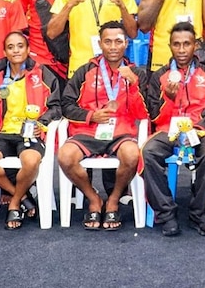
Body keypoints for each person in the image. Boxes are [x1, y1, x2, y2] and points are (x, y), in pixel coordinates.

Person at [57, 21, 149, 231]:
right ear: (100, 44)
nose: (113, 46)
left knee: (132, 155)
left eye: (118, 41)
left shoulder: (137, 73)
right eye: (108, 42)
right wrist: (91, 115)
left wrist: (134, 84)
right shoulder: (85, 71)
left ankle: (114, 199)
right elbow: (66, 105)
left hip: (121, 132)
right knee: (65, 156)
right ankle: (93, 198)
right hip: (88, 131)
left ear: (126, 43)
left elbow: (144, 113)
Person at [0, 31, 61, 230]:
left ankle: (14, 202)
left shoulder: (43, 74)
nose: (16, 50)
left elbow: (56, 107)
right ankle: (22, 196)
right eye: (11, 47)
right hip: (1, 131)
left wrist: (42, 123)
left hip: (31, 131)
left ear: (28, 49)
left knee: (31, 161)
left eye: (20, 46)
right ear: (4, 52)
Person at [142, 22, 205, 237]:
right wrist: (169, 98)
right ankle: (166, 213)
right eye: (177, 44)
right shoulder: (159, 76)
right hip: (169, 128)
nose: (182, 49)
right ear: (170, 46)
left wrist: (196, 130)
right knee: (148, 152)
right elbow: (154, 115)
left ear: (196, 45)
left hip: (199, 129)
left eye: (187, 44)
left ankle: (200, 213)